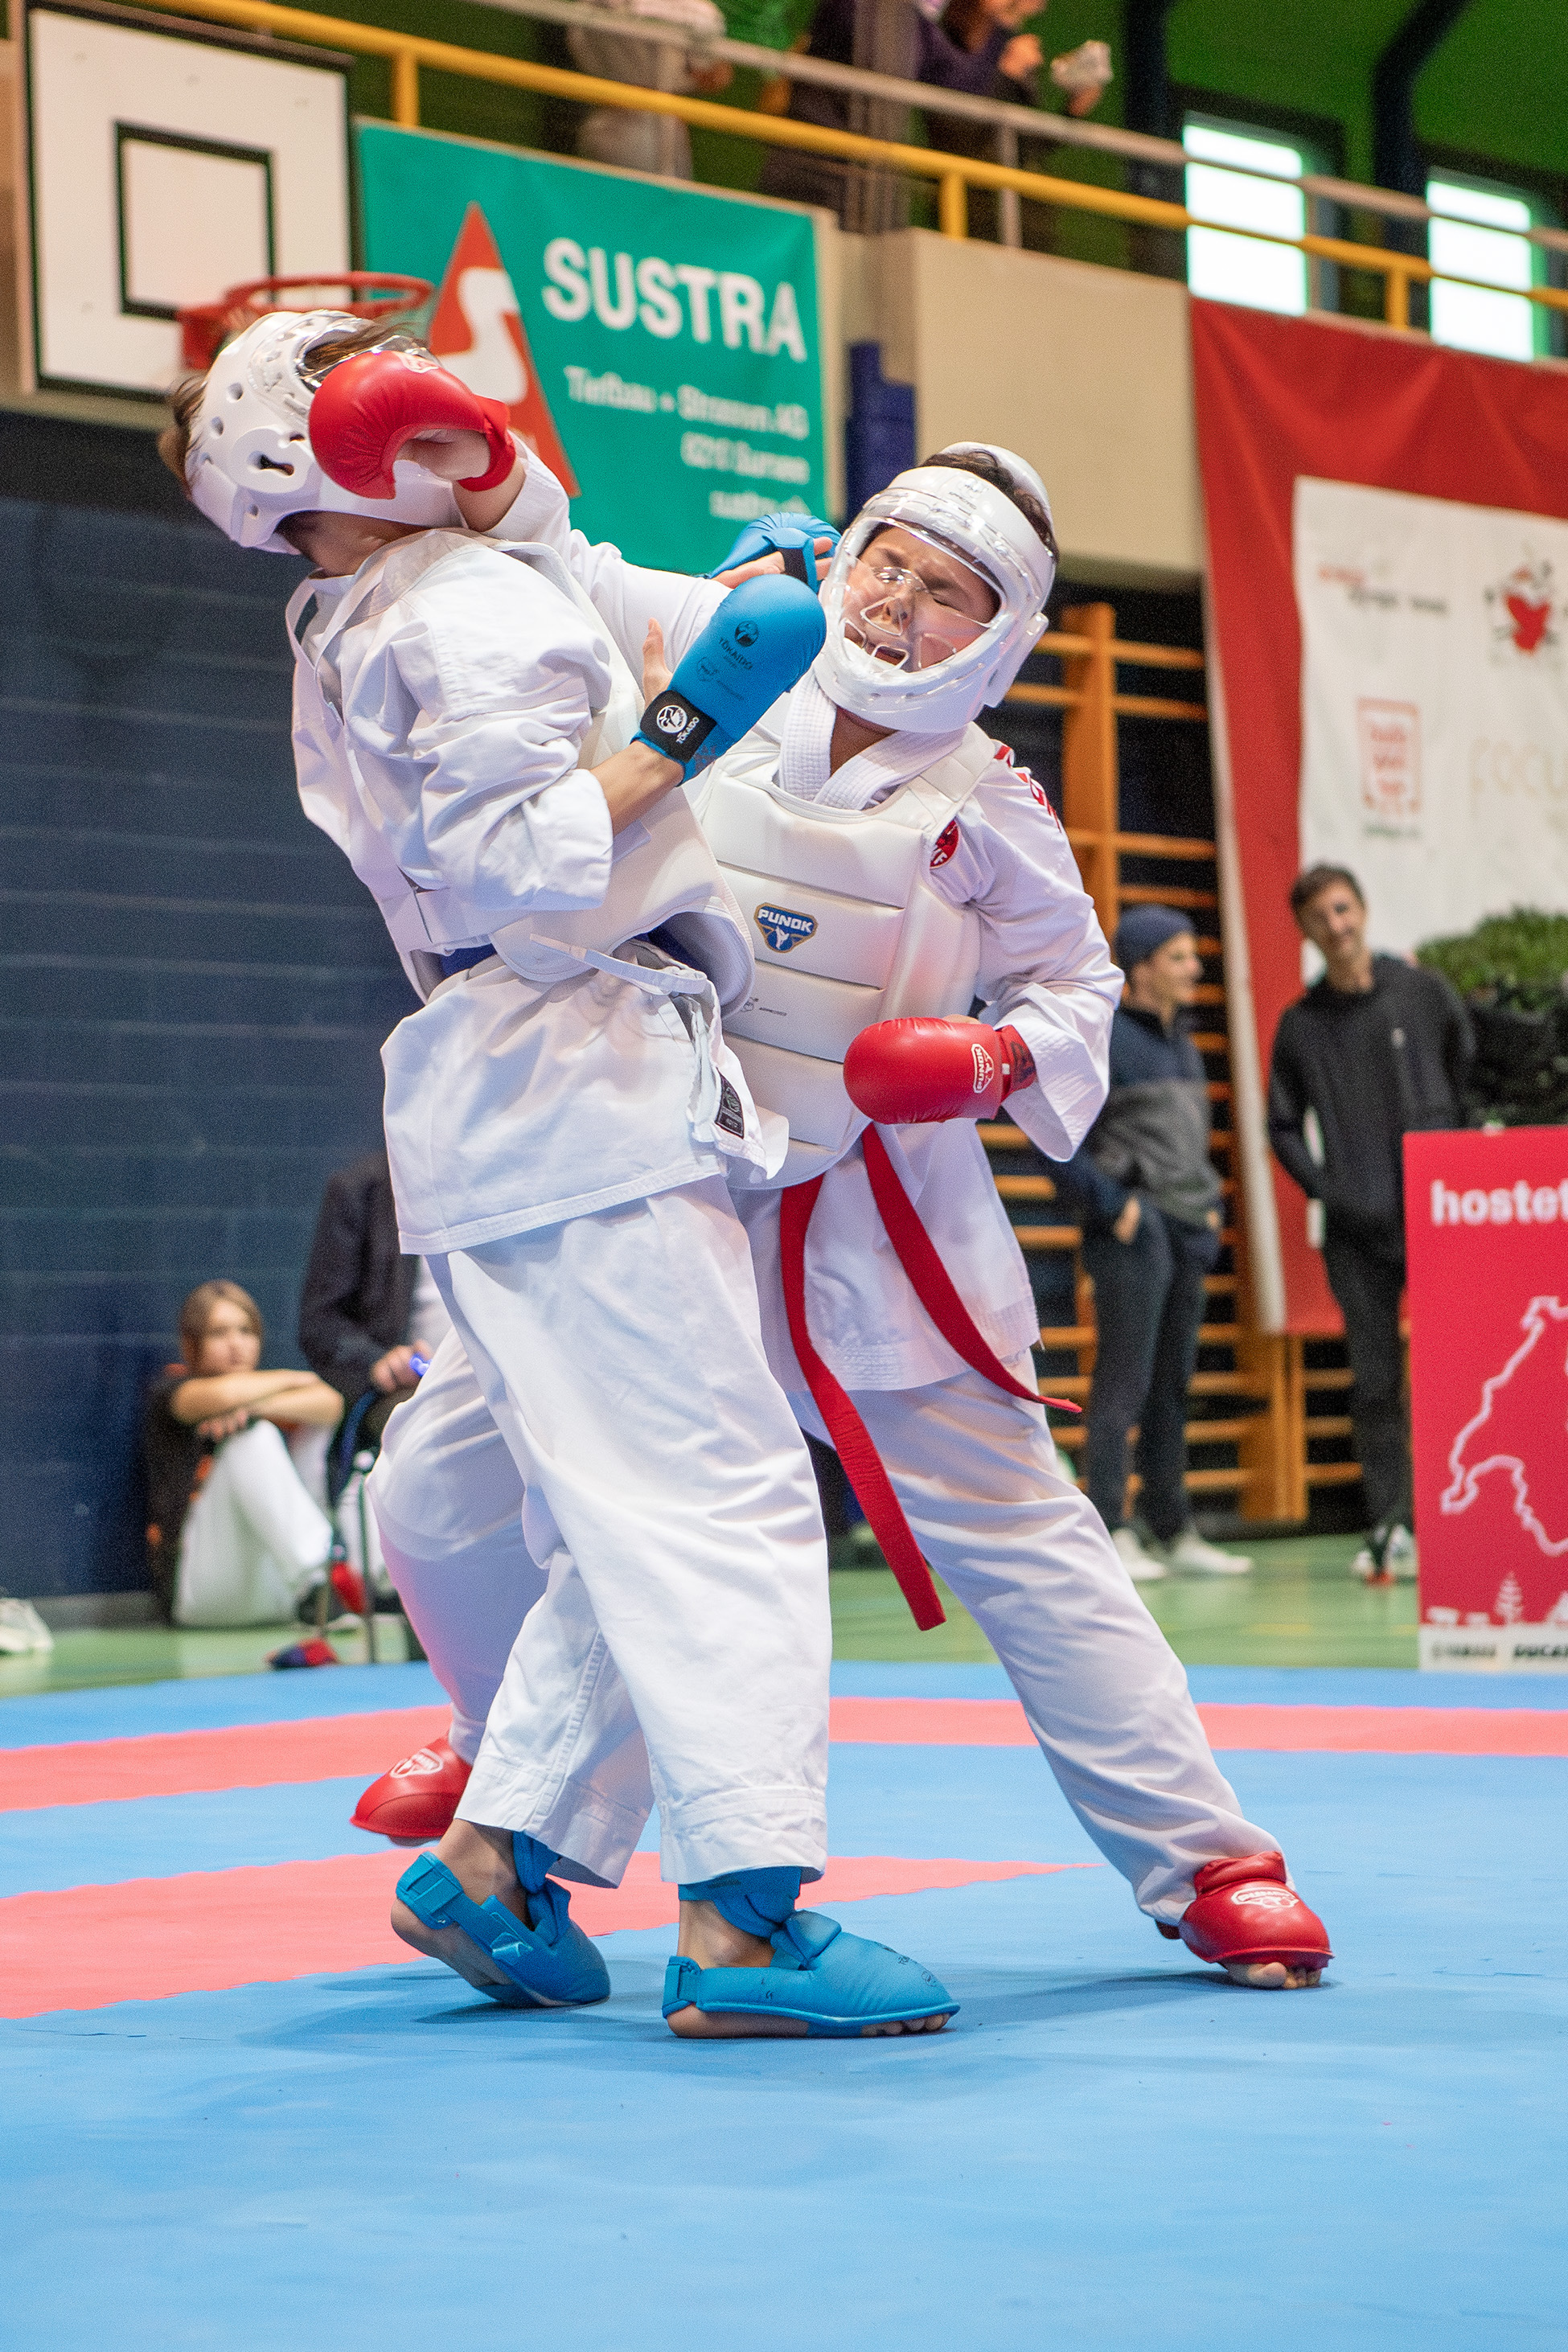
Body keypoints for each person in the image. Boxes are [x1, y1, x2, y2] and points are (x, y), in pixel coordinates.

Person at [356, 446, 1334, 1993]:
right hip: (648, 1194)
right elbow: (557, 559)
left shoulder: (988, 801)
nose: (898, 604)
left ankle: (1210, 1860)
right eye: (887, 560)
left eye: (949, 593)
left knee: (1024, 1543)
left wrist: (998, 1059)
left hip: (870, 1224)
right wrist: (472, 460)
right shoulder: (724, 638)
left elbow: (1077, 983)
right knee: (440, 1487)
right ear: (844, 550)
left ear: (1002, 642)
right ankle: (498, 1774)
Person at [161, 311, 954, 2039]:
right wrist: (690, 720)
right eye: (389, 385)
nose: (440, 406)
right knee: (723, 1496)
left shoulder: (363, 609)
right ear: (332, 442)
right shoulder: (455, 607)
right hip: (577, 1057)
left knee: (609, 1508)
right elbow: (519, 862)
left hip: (509, 1082)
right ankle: (744, 1928)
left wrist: (694, 584)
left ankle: (499, 1857)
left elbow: (537, 567)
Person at [1269, 864, 1473, 1582]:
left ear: (1362, 908)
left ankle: (1467, 1519)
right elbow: (1281, 1125)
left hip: (1444, 1221)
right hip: (1358, 1238)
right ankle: (1394, 1524)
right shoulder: (1301, 1025)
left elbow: (1469, 1075)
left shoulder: (1424, 992)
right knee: (1377, 1383)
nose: (1337, 925)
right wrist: (1330, 1191)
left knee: (1459, 1375)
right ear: (1305, 931)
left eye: (1343, 908)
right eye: (1320, 917)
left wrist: (1464, 1169)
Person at [1057, 905, 1251, 1582]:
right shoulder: (1105, 1038)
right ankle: (1110, 1526)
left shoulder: (1184, 1041)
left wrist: (1209, 1207)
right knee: (1124, 1380)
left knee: (1172, 1385)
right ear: (1140, 969)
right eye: (1179, 957)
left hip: (1186, 1229)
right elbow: (1056, 1140)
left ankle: (1172, 1528)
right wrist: (1116, 1207)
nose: (1195, 968)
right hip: (1134, 1234)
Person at [143, 1280, 347, 1626]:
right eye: (219, 1333)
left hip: (276, 1587)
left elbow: (332, 1404)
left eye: (246, 1331)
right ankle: (319, 1578)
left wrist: (256, 1408)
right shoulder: (173, 1390)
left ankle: (322, 1588)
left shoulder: (263, 1396)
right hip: (202, 1589)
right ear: (193, 1343)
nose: (236, 1344)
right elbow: (223, 1397)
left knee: (309, 1432)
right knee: (253, 1440)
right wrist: (290, 1380)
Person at [567, 0, 733, 179]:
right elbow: (716, 77)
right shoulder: (696, 10)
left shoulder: (588, 4)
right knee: (654, 196)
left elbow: (577, 46)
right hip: (653, 131)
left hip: (599, 121)